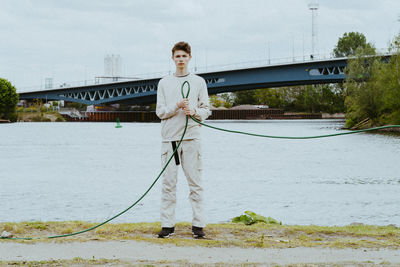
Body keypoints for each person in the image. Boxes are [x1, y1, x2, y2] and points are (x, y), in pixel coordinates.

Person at [156, 41, 211, 238]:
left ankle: (198, 226)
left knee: (195, 184)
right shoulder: (164, 83)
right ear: (173, 58)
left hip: (191, 139)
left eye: (184, 56)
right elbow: (160, 112)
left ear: (189, 58)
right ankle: (168, 225)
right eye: (177, 56)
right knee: (168, 184)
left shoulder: (199, 82)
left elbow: (207, 110)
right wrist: (177, 105)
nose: (180, 60)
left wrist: (194, 111)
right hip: (169, 140)